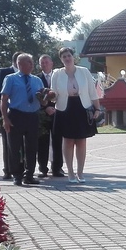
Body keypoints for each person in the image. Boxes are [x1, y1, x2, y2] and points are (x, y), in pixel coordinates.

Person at [51, 47, 102, 183]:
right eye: (64, 57)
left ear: (73, 57)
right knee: (67, 141)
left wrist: (97, 109)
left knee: (81, 141)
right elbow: (54, 95)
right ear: (61, 60)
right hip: (64, 109)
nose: (67, 59)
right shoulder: (56, 74)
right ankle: (71, 173)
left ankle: (80, 173)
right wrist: (49, 96)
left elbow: (92, 92)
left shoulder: (84, 71)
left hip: (82, 107)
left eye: (69, 56)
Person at [0, 53, 44, 186]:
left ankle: (29, 174)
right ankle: (17, 175)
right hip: (16, 115)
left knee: (32, 147)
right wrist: (5, 119)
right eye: (28, 62)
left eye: (32, 62)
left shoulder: (37, 80)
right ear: (20, 64)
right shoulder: (10, 78)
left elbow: (43, 98)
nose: (32, 65)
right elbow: (3, 99)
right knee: (15, 147)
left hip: (32, 116)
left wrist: (46, 97)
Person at [36, 54, 64, 178]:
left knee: (58, 141)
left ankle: (57, 168)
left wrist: (56, 107)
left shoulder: (59, 77)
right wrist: (45, 107)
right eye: (42, 63)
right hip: (43, 115)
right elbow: (36, 96)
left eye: (47, 62)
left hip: (58, 113)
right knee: (42, 142)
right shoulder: (36, 79)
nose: (45, 64)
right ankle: (43, 168)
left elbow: (63, 94)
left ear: (52, 63)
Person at [0, 53, 22, 180]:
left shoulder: (27, 74)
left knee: (22, 144)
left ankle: (21, 168)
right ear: (15, 61)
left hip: (23, 113)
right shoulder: (4, 72)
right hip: (8, 112)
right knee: (8, 143)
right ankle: (8, 169)